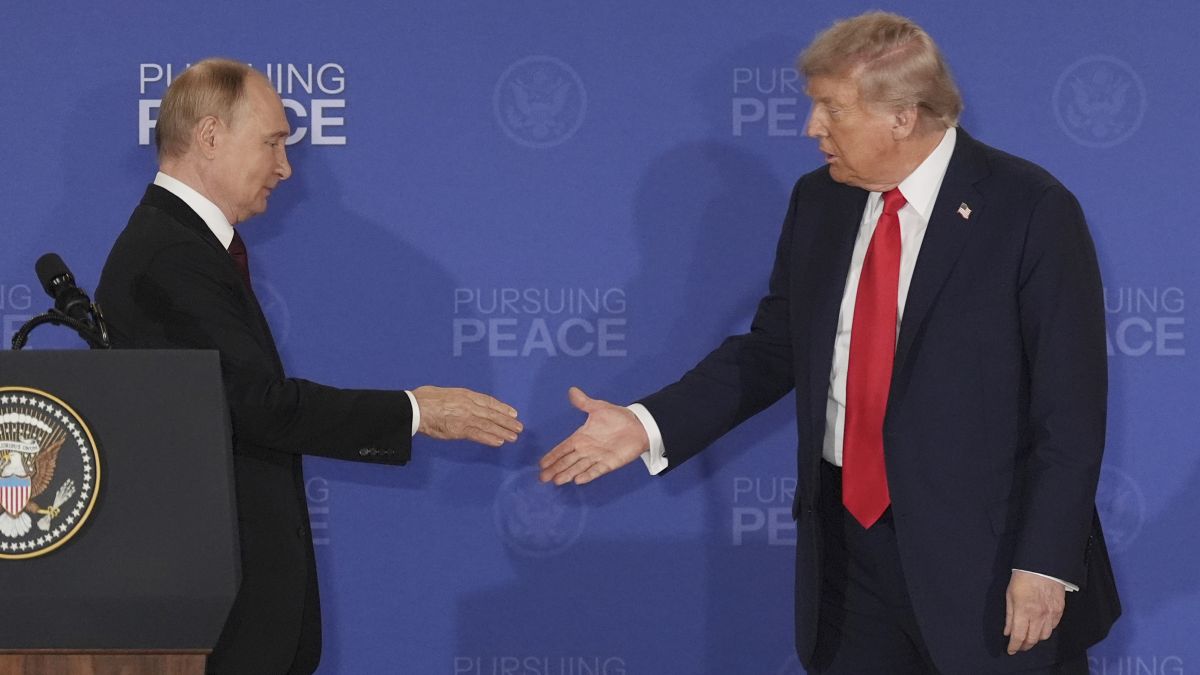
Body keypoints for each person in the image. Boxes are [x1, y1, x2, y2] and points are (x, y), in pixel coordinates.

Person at [539, 12, 1119, 674]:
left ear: (902, 114)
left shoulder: (1030, 209)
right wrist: (648, 424)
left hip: (988, 566)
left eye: (829, 109)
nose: (812, 128)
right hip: (846, 557)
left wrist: (1044, 561)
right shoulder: (820, 201)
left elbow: (1070, 410)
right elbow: (773, 350)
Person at [96, 58, 524, 675]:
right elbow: (251, 404)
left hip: (234, 599)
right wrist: (415, 411)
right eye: (271, 143)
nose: (285, 168)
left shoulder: (183, 246)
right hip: (214, 603)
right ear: (211, 136)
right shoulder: (171, 255)